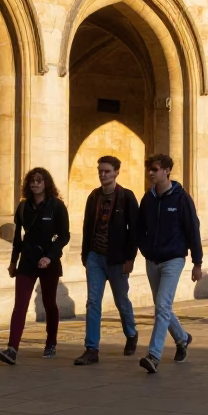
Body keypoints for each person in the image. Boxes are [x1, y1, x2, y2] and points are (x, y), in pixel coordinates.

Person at [135, 153, 202, 374]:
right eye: (149, 170)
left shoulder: (181, 199)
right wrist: (144, 249)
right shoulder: (148, 199)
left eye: (155, 169)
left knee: (162, 306)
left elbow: (193, 230)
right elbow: (140, 228)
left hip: (173, 259)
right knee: (162, 306)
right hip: (152, 259)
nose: (151, 174)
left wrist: (197, 262)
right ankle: (182, 339)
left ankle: (154, 355)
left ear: (166, 171)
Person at [0, 167, 70, 364]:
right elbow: (17, 238)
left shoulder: (56, 206)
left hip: (48, 262)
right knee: (20, 305)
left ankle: (51, 342)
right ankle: (12, 349)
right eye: (32, 181)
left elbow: (64, 236)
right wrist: (13, 262)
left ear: (46, 183)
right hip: (27, 261)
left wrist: (50, 256)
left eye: (39, 180)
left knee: (49, 303)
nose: (35, 183)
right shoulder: (23, 207)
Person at [73, 156, 140, 366]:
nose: (103, 175)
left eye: (107, 171)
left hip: (117, 259)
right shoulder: (94, 197)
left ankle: (131, 333)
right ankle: (91, 349)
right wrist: (86, 255)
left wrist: (130, 258)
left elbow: (135, 231)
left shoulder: (126, 197)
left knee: (121, 301)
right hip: (95, 257)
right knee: (93, 302)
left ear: (116, 172)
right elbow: (86, 227)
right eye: (100, 171)